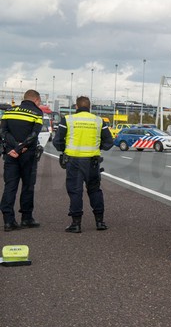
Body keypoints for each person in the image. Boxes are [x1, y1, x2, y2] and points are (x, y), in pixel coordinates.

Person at [53, 96, 114, 233]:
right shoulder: (98, 121)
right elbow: (109, 142)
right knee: (95, 190)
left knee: (75, 191)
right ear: (89, 107)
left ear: (76, 106)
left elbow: (57, 141)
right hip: (93, 161)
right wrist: (98, 147)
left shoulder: (68, 120)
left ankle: (76, 224)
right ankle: (100, 222)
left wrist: (64, 149)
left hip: (74, 161)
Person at [0, 90, 44, 231]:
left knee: (10, 186)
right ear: (36, 99)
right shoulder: (37, 113)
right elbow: (34, 135)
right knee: (28, 186)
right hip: (27, 155)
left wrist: (13, 147)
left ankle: (8, 220)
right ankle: (26, 218)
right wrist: (21, 147)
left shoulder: (9, 111)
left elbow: (3, 132)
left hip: (11, 154)